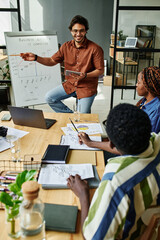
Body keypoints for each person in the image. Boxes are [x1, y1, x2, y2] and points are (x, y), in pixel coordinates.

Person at [67, 103, 160, 240]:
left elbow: (93, 237)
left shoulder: (116, 182)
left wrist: (83, 194)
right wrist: (91, 143)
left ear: (111, 143)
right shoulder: (155, 139)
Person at [20, 15, 104, 113]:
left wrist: (85, 75)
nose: (78, 34)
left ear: (86, 31)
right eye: (75, 31)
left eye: (81, 31)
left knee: (84, 116)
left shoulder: (95, 48)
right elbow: (52, 61)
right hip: (71, 84)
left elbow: (100, 70)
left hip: (87, 86)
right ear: (71, 31)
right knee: (49, 98)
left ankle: (80, 118)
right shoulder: (66, 46)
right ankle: (71, 116)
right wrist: (35, 58)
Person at [136, 66, 160, 133]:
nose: (136, 85)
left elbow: (151, 136)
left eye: (138, 82)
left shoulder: (157, 110)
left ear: (147, 86)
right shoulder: (144, 101)